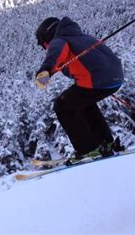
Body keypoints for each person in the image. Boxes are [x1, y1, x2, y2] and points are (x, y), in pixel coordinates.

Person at [35, 16, 125, 159]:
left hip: (97, 80)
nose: (45, 48)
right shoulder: (79, 37)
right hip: (114, 77)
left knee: (62, 106)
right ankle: (106, 143)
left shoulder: (59, 40)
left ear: (48, 36)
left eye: (43, 44)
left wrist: (44, 71)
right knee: (82, 102)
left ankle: (88, 149)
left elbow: (55, 54)